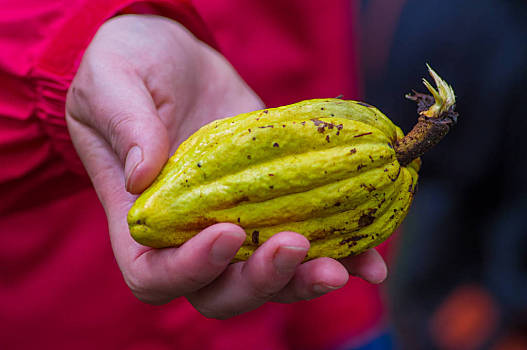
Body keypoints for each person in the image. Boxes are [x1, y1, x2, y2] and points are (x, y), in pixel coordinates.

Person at [1, 0, 390, 348]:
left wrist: (341, 317)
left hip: (278, 304)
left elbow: (317, 53)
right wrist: (69, 57)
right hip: (62, 311)